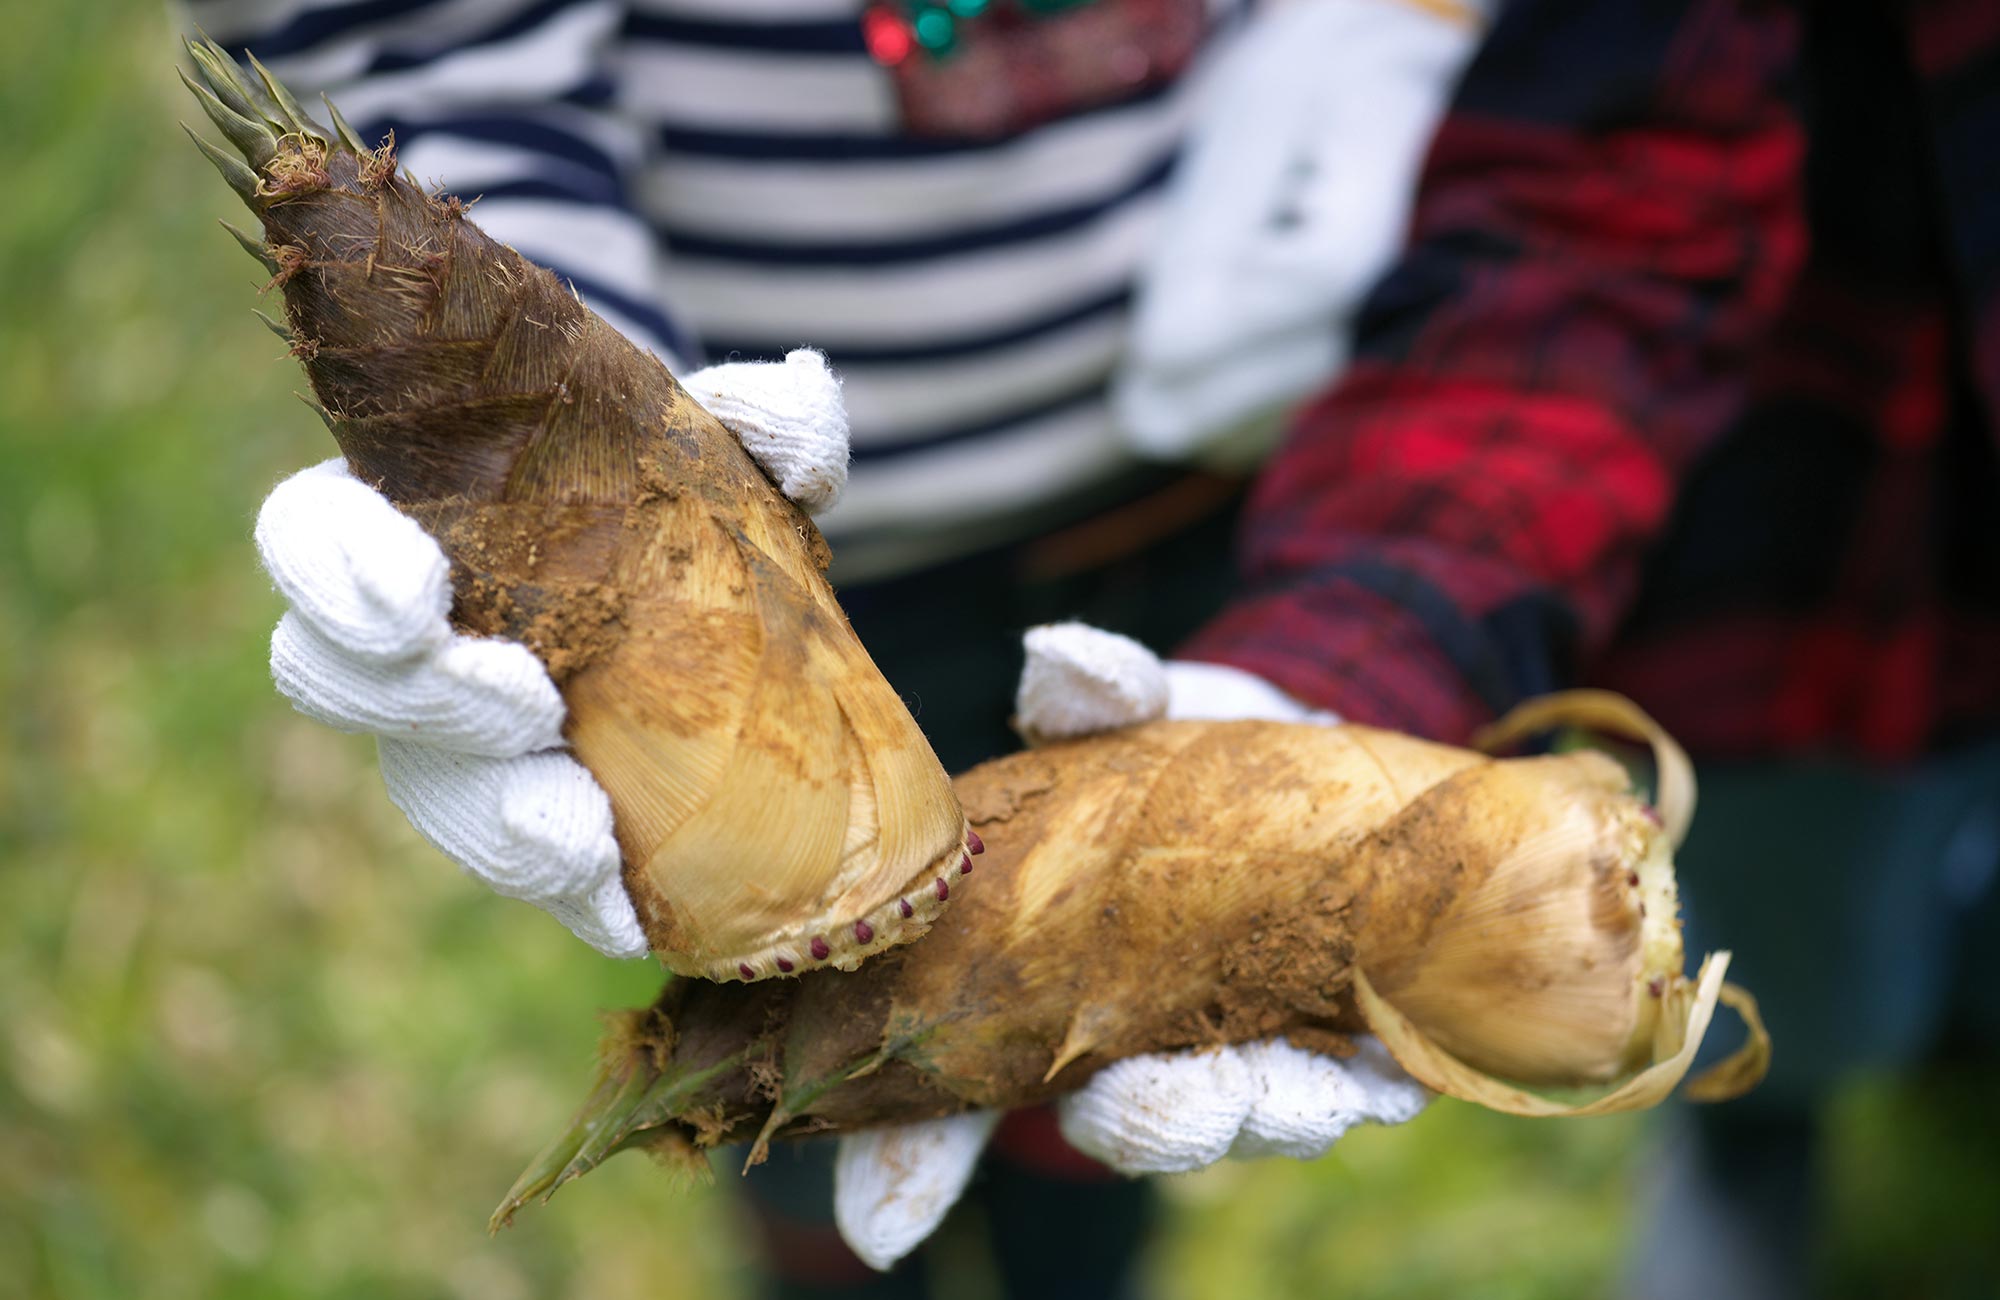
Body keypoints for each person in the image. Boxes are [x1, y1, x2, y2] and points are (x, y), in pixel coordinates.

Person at [220, 0, 2000, 1296]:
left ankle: (1088, 1255)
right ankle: (801, 1232)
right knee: (786, 1009)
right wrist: (586, 426)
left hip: (1215, 459)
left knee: (1102, 1075)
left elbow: (1615, 165)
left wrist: (1328, 683)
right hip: (811, 524)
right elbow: (442, 45)